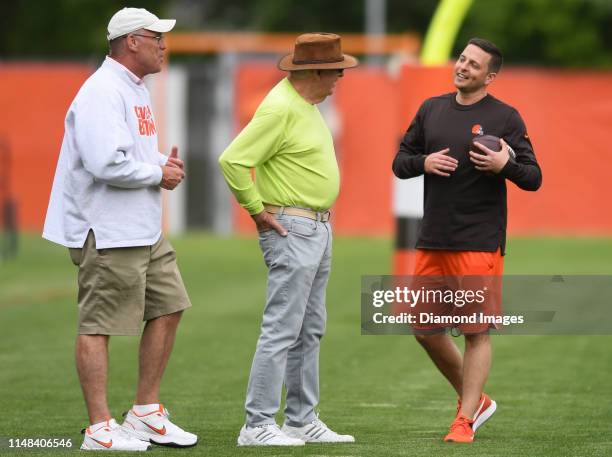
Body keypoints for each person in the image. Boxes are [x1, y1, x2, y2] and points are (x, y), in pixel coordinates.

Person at [43, 7, 197, 451]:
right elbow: (104, 162)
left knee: (170, 307)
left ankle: (146, 412)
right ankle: (99, 428)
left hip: (142, 229)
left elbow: (128, 154)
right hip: (108, 231)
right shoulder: (102, 91)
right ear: (132, 41)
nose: (164, 46)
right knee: (98, 325)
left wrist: (158, 166)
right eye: (157, 38)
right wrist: (157, 175)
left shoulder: (133, 89)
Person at [392, 38, 542, 443]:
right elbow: (400, 163)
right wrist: (423, 162)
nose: (463, 67)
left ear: (490, 76)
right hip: (434, 237)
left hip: (479, 240)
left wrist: (504, 164)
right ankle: (477, 400)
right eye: (462, 59)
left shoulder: (506, 117)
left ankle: (465, 418)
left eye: (474, 65)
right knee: (424, 328)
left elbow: (533, 178)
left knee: (475, 331)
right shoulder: (431, 109)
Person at [219, 33, 357, 446]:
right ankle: (258, 423)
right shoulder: (280, 109)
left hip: (315, 228)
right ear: (315, 71)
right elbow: (233, 160)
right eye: (336, 71)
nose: (340, 78)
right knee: (283, 328)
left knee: (309, 329)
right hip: (292, 228)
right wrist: (257, 212)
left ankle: (300, 419)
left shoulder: (306, 105)